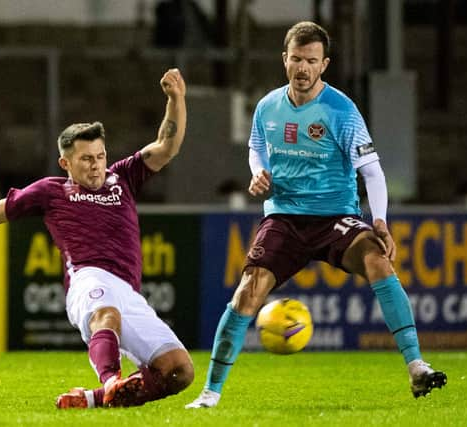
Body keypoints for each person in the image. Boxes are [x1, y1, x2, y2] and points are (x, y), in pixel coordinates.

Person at [0, 68, 194, 409]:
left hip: (129, 290)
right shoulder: (51, 191)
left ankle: (89, 401)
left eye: (101, 156)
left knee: (178, 371)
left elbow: (166, 146)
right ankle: (109, 381)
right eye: (87, 159)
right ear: (66, 162)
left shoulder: (122, 178)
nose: (96, 166)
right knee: (107, 314)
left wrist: (175, 99)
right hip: (88, 278)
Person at [186, 22, 447, 409]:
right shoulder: (267, 106)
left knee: (377, 260)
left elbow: (371, 171)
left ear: (324, 64)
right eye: (296, 59)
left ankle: (416, 367)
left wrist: (379, 221)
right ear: (284, 59)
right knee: (247, 292)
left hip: (335, 217)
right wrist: (259, 173)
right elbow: (256, 148)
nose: (302, 68)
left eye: (311, 61)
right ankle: (210, 393)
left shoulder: (341, 111)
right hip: (285, 217)